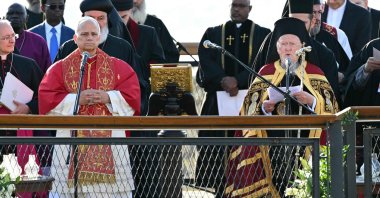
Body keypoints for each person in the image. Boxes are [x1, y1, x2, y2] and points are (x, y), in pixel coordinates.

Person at [225, 17, 339, 197]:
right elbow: (248, 109)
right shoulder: (265, 72)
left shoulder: (315, 72)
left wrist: (312, 101)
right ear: (276, 48)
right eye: (283, 43)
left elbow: (331, 107)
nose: (287, 48)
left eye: (292, 43)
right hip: (272, 146)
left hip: (307, 144)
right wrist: (264, 108)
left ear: (302, 46)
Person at [38, 16, 140, 197]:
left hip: (111, 145)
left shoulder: (119, 67)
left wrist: (107, 97)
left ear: (100, 38)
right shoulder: (58, 69)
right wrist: (76, 100)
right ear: (75, 38)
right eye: (84, 34)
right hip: (70, 147)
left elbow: (133, 100)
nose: (89, 38)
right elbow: (46, 102)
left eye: (94, 34)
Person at [195, 0, 270, 197]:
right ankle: (220, 190)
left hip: (250, 101)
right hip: (217, 103)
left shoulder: (263, 35)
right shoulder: (213, 33)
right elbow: (205, 58)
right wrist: (223, 79)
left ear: (250, 8)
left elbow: (262, 64)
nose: (237, 9)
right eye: (234, 5)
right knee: (217, 149)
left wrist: (238, 80)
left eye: (241, 5)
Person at [55, 0, 149, 115]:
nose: (96, 23)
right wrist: (76, 99)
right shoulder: (67, 48)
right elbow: (53, 89)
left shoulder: (123, 48)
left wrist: (109, 97)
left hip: (112, 123)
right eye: (90, 18)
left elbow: (136, 90)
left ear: (108, 20)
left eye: (101, 18)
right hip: (73, 123)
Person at [254, 0, 342, 109]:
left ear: (312, 22)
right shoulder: (270, 44)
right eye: (293, 21)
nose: (296, 28)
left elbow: (333, 102)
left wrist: (313, 102)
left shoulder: (324, 54)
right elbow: (253, 96)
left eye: (302, 23)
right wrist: (263, 108)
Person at [0, 19, 43, 188]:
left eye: (13, 36)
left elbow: (45, 97)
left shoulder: (28, 65)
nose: (12, 40)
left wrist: (29, 107)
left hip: (20, 138)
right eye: (5, 38)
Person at [112, 0, 165, 81]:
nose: (120, 22)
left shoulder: (148, 33)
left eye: (124, 17)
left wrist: (141, 72)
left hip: (141, 87)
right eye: (117, 17)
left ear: (130, 12)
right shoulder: (102, 35)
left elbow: (159, 61)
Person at [6, 3, 52, 73]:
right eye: (10, 13)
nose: (14, 16)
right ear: (4, 18)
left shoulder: (38, 42)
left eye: (19, 13)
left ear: (27, 18)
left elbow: (48, 74)